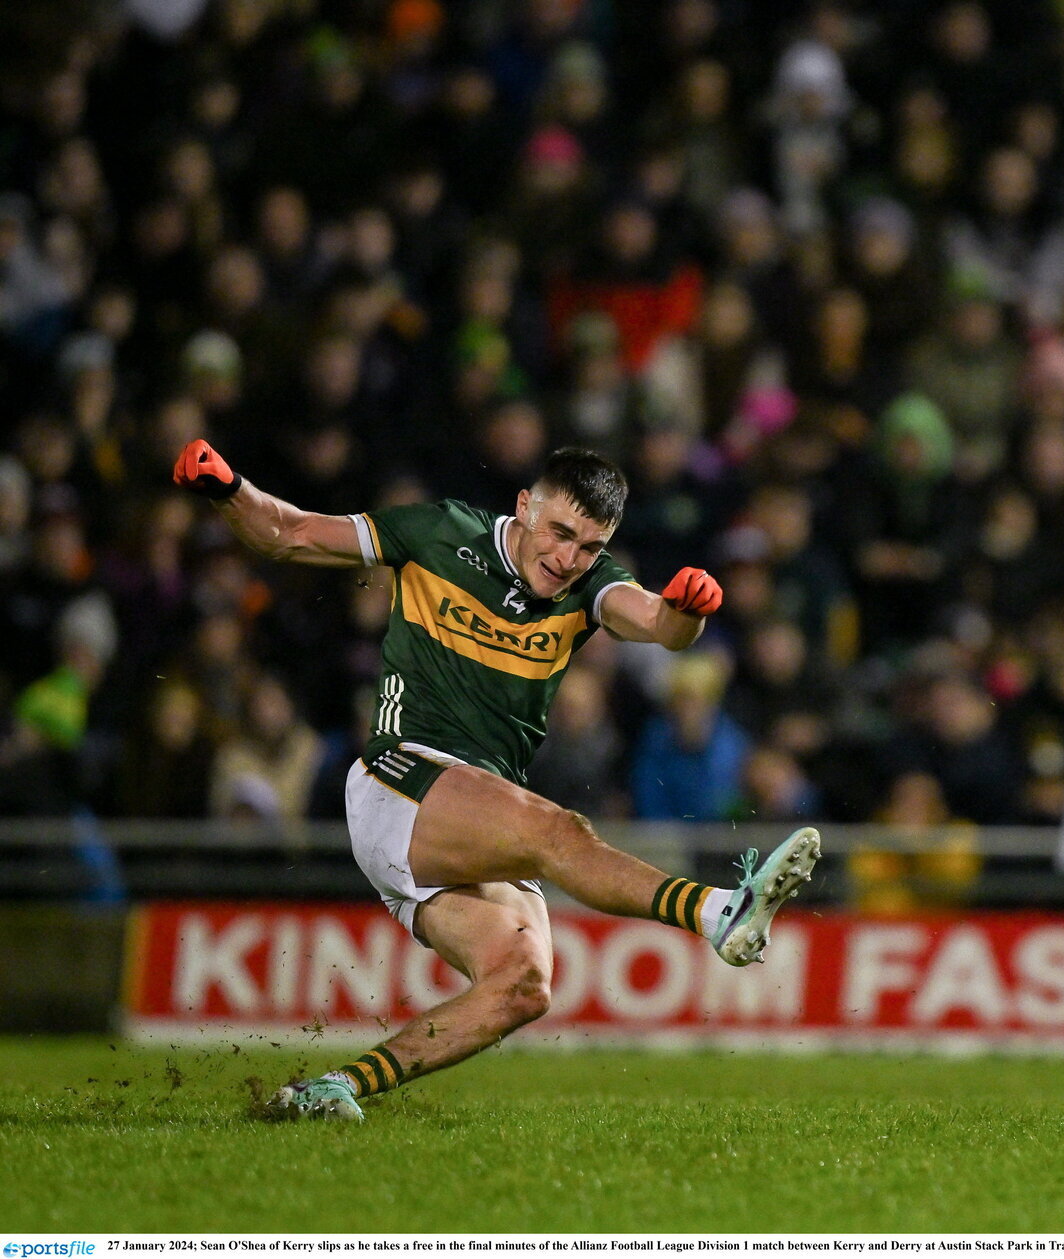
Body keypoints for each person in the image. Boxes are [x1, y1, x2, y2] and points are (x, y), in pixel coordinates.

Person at [171, 439, 820, 1120]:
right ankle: (717, 911)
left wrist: (687, 611)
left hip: (466, 822)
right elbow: (290, 532)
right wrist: (229, 488)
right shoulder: (439, 532)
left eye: (589, 546)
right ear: (525, 506)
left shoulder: (592, 584)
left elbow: (657, 622)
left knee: (524, 985)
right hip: (400, 778)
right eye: (560, 532)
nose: (568, 558)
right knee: (556, 832)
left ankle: (332, 1089)